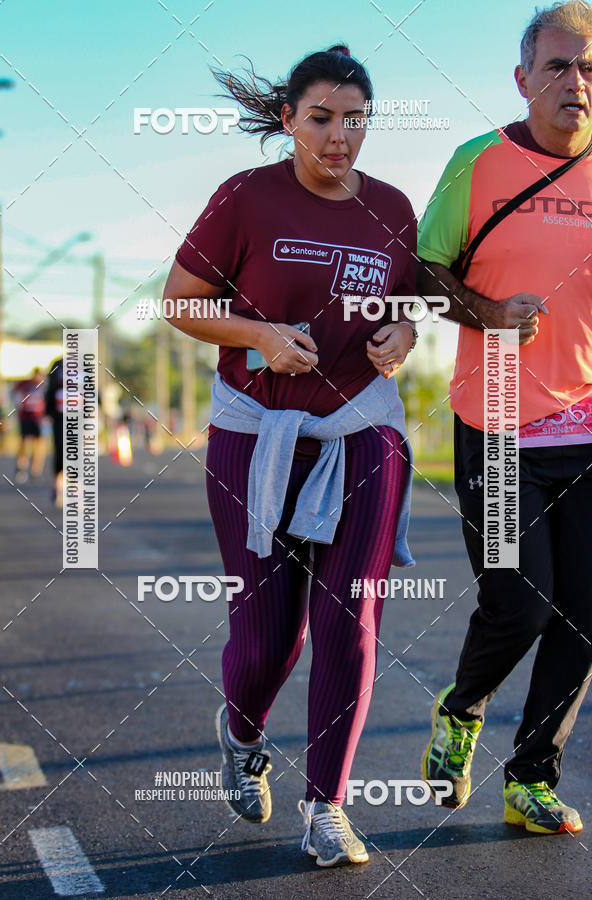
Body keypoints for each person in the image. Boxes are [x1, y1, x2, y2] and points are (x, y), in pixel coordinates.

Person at [164, 45, 417, 866]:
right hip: (256, 434)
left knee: (351, 619)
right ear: (288, 119)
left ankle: (328, 806)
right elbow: (178, 300)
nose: (339, 137)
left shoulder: (392, 208)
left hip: (363, 433)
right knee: (271, 639)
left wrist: (405, 331)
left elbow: (406, 303)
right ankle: (242, 733)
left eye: (355, 120)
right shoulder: (247, 197)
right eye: (322, 119)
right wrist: (259, 336)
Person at [418, 1, 592, 835]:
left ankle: (531, 776)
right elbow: (423, 272)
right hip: (495, 421)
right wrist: (485, 309)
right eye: (558, 66)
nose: (576, 82)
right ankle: (462, 708)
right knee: (520, 602)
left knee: (586, 611)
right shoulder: (476, 163)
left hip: (590, 430)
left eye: (589, 66)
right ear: (522, 79)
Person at [13, 367, 46, 483]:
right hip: (26, 417)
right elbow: (18, 399)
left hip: (39, 419)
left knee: (40, 443)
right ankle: (21, 466)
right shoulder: (25, 385)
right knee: (25, 441)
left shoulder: (44, 386)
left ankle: (36, 470)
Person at [45, 358, 64, 507]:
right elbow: (50, 389)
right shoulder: (58, 365)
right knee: (60, 452)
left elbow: (91, 391)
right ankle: (57, 487)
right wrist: (47, 413)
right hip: (59, 418)